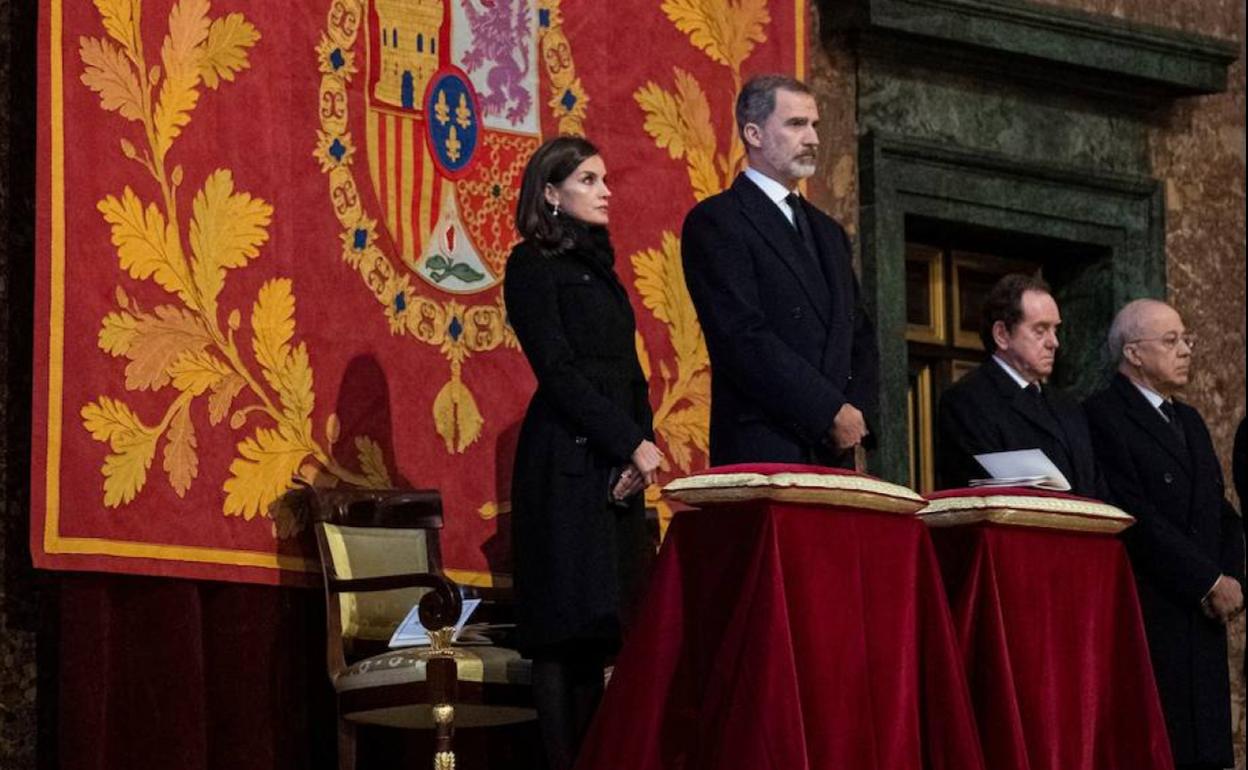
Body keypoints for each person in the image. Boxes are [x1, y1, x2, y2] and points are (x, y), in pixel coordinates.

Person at [503, 136, 663, 770]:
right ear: (551, 192)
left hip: (612, 463)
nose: (606, 190)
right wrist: (627, 442)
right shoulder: (531, 265)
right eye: (589, 180)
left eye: (605, 179)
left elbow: (627, 373)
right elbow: (560, 372)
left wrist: (638, 449)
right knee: (562, 635)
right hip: (564, 466)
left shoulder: (601, 269)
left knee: (607, 632)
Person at [681, 74, 878, 467]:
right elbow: (742, 338)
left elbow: (858, 335)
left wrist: (856, 413)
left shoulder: (829, 232)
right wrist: (827, 412)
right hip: (766, 448)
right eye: (796, 124)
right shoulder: (718, 221)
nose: (813, 139)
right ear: (753, 133)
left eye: (815, 125)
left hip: (833, 452)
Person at [1084, 298, 1244, 770]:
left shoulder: (1190, 421)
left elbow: (1222, 513)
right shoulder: (1102, 414)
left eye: (1187, 339)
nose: (1186, 350)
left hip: (1206, 618)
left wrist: (1232, 579)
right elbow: (1136, 514)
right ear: (1134, 353)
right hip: (1157, 611)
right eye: (1171, 341)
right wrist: (1206, 581)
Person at [937, 273, 1105, 497]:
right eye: (1040, 330)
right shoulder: (967, 402)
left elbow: (1096, 486)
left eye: (1055, 329)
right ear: (1002, 334)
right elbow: (980, 492)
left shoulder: (1068, 406)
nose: (1054, 342)